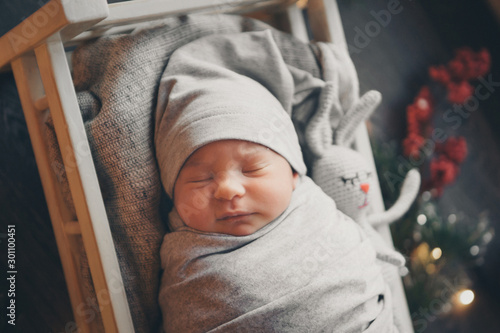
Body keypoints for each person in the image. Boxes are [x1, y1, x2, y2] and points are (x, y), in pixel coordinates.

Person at [155, 30, 402, 332]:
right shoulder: (188, 264)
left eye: (251, 169)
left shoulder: (319, 212)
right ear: (172, 195)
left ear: (295, 173)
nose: (228, 190)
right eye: (199, 178)